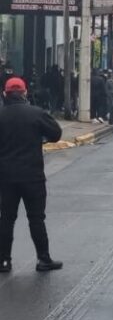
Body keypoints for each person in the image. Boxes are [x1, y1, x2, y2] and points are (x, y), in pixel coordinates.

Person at [0, 78, 63, 273]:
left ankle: (4, 261)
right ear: (25, 92)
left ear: (5, 93)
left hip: (6, 177)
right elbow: (56, 134)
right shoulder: (36, 113)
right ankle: (43, 259)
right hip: (32, 176)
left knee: (6, 219)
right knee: (36, 218)